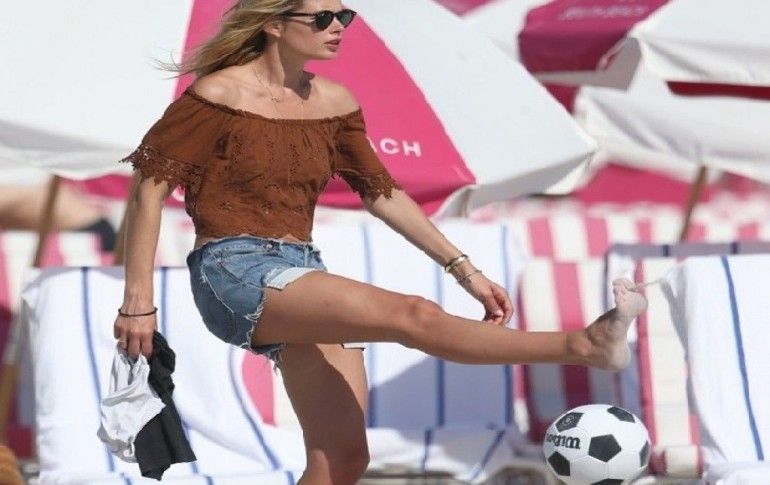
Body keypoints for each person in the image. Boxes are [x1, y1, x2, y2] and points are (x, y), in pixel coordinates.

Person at [114, 1, 648, 483]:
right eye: (322, 18)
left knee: (342, 460)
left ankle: (585, 346)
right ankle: (583, 346)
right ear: (273, 25)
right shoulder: (218, 94)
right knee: (413, 315)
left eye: (343, 16)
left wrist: (465, 270)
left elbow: (383, 193)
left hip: (301, 268)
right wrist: (139, 304)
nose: (338, 27)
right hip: (233, 271)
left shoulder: (334, 101)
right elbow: (147, 193)